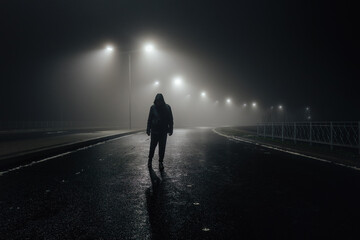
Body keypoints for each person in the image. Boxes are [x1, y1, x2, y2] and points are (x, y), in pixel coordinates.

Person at [146, 93, 173, 170]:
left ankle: (160, 162)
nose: (158, 102)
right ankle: (150, 160)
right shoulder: (153, 108)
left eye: (159, 101)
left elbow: (170, 119)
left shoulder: (167, 107)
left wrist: (171, 129)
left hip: (163, 131)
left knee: (162, 148)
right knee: (152, 147)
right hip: (154, 131)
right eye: (157, 101)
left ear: (162, 100)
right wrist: (148, 129)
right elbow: (150, 119)